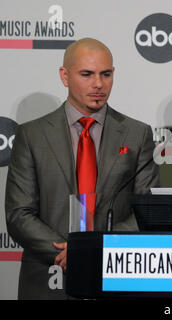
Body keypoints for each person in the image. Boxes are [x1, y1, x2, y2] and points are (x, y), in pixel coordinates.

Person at [5, 38, 160, 299]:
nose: (98, 84)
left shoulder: (137, 134)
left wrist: (98, 249)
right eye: (87, 74)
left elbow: (146, 211)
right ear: (65, 76)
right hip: (47, 278)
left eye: (106, 74)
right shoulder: (32, 134)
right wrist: (69, 252)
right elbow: (19, 213)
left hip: (115, 276)